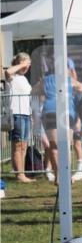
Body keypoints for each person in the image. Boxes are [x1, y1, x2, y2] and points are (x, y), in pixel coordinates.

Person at [33, 58, 82, 183]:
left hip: (49, 110)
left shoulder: (45, 80)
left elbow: (33, 91)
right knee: (65, 145)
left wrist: (42, 98)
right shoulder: (68, 80)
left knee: (54, 145)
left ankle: (58, 175)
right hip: (66, 112)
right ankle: (65, 175)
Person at [5, 53, 34, 182]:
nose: (27, 66)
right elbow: (8, 71)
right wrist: (22, 64)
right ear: (19, 62)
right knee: (18, 144)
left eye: (28, 64)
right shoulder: (13, 77)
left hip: (26, 114)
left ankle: (21, 172)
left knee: (24, 145)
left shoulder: (24, 78)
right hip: (16, 114)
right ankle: (20, 174)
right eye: (24, 63)